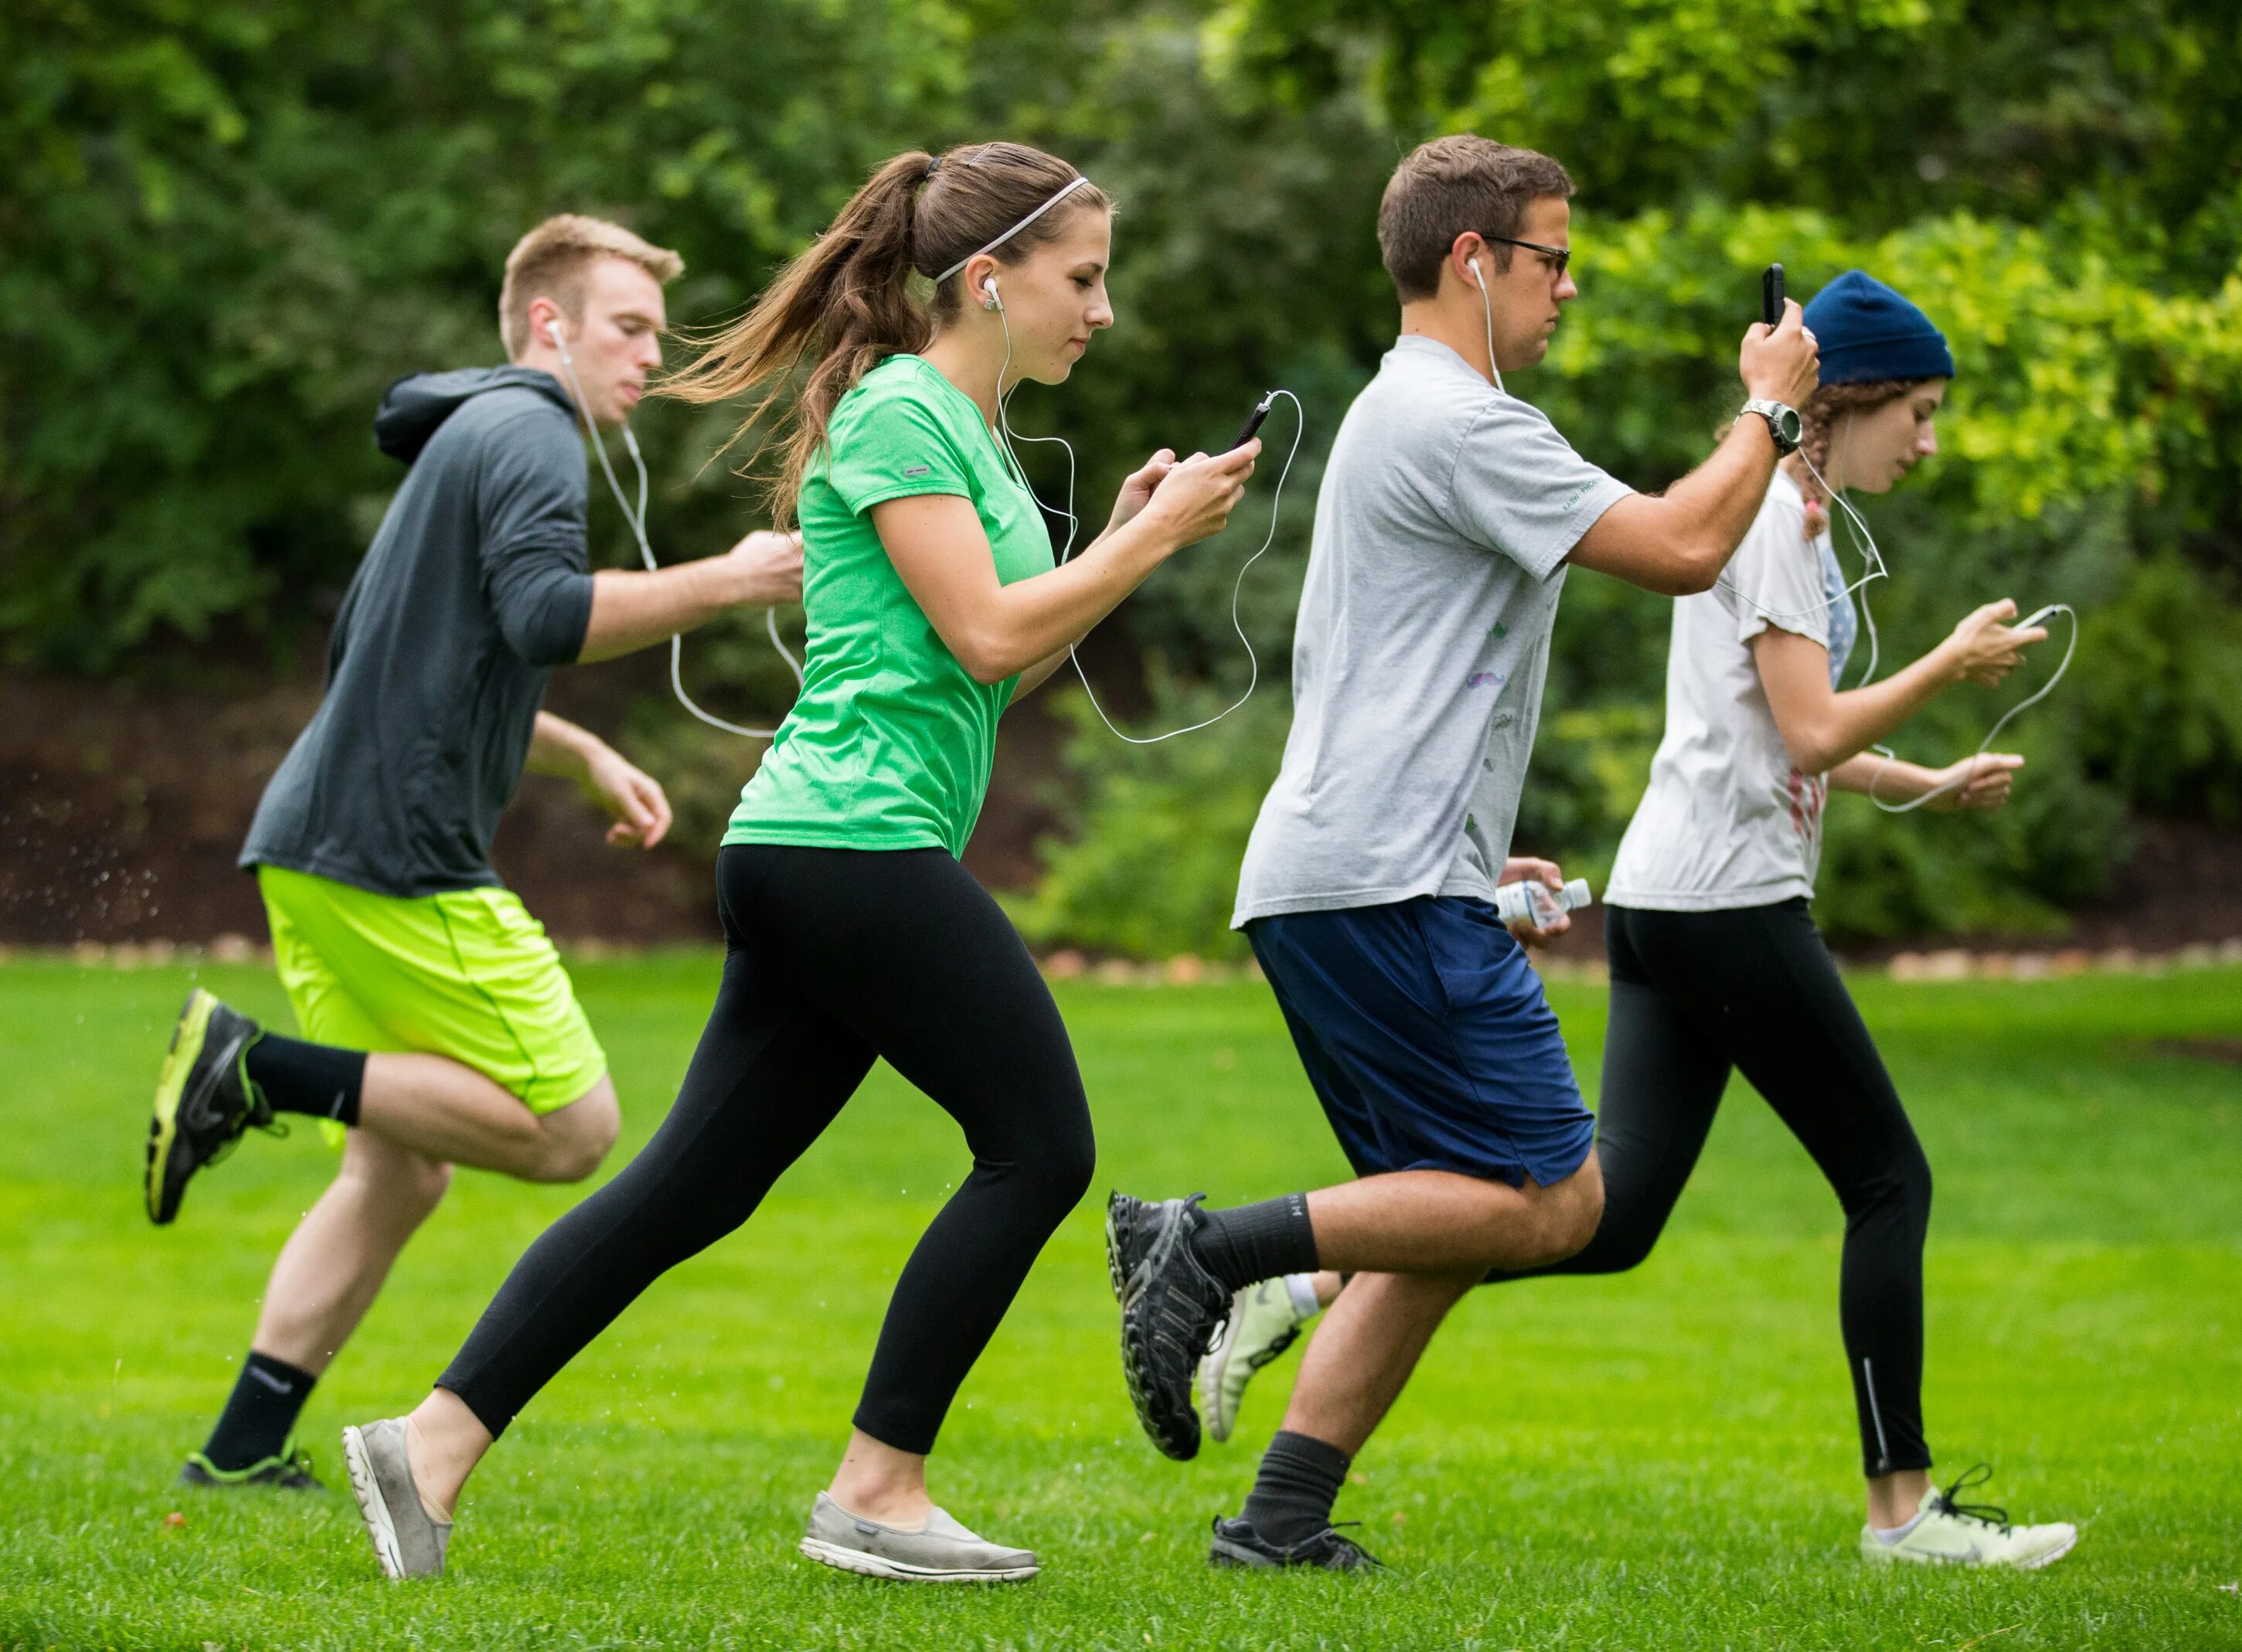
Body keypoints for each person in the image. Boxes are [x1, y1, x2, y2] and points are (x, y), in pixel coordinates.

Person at [338, 141, 1258, 1586]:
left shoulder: (971, 435)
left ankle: (430, 1442)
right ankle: (879, 1487)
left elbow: (992, 676)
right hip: (848, 846)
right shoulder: (901, 413)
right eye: (1083, 279)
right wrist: (1143, 544)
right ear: (988, 278)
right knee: (1043, 1146)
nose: (1103, 309)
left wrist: (1127, 532)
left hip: (826, 847)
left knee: (690, 1188)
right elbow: (993, 635)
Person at [1209, 270, 2080, 1572]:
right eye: (1923, 411)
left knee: (1599, 1216)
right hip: (1727, 901)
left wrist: (1928, 780)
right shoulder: (1776, 518)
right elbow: (1810, 726)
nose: (1932, 441)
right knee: (1890, 1178)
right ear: (1851, 400)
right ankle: (1904, 1512)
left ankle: (1305, 1289)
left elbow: (1790, 742)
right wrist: (1947, 666)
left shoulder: (1789, 514)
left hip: (1675, 895)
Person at [1106, 133, 1819, 1571]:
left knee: (1453, 1210)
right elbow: (1686, 543)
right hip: (1373, 876)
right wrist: (1770, 411)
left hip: (1364, 868)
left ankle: (1281, 1519)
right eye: (1555, 259)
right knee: (1554, 1199)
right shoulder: (1459, 417)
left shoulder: (1411, 413)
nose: (1570, 289)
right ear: (1472, 260)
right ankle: (1210, 1247)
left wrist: (1477, 862)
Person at [144, 213, 805, 1491]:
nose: (648, 361)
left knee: (400, 1170)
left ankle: (235, 1451)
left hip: (316, 841)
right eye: (627, 329)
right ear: (547, 324)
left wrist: (579, 756)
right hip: (396, 852)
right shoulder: (530, 434)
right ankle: (255, 1065)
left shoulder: (472, 436)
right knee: (571, 1127)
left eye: (656, 337)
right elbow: (549, 613)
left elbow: (425, 665)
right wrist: (729, 578)